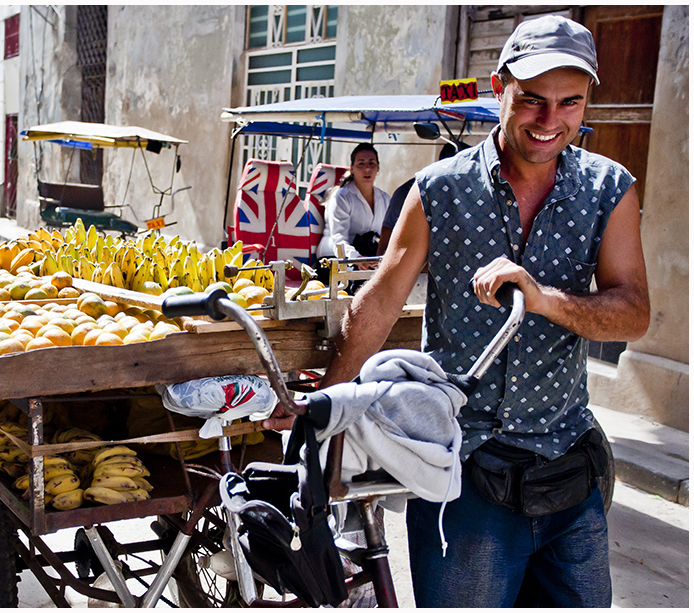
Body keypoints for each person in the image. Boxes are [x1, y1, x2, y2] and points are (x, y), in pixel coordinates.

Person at [265, 15, 649, 607]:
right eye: (531, 100)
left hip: (569, 472)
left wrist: (543, 299)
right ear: (499, 87)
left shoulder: (608, 188)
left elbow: (632, 313)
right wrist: (327, 404)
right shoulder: (438, 190)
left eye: (569, 102)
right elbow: (381, 302)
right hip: (462, 474)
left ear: (586, 100)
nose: (550, 121)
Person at [315, 142, 390, 287]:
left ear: (378, 167)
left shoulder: (385, 198)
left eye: (371, 163)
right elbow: (338, 238)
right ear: (352, 168)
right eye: (361, 163)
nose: (367, 168)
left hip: (368, 257)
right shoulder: (341, 197)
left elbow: (388, 234)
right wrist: (356, 258)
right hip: (334, 259)